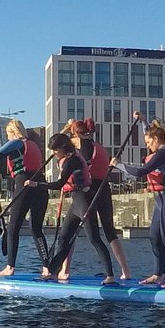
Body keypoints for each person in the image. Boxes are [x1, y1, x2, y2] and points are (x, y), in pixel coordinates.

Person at [35, 131, 117, 284]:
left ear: (63, 148)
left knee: (94, 239)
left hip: (84, 202)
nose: (54, 153)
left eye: (55, 150)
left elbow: (59, 184)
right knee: (64, 238)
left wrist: (37, 184)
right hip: (76, 202)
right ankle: (52, 272)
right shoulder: (68, 157)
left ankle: (110, 276)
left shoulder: (72, 160)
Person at [69, 118, 132, 281]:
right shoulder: (100, 148)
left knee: (70, 231)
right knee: (110, 231)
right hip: (105, 189)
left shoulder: (81, 145)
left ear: (76, 133)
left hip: (89, 191)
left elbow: (59, 143)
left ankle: (65, 270)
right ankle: (125, 271)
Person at [0, 120, 48, 278]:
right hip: (40, 186)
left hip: (24, 188)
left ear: (13, 132)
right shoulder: (33, 145)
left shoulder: (16, 143)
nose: (7, 137)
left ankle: (10, 267)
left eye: (7, 134)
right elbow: (25, 171)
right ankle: (47, 268)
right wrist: (2, 176)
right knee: (36, 229)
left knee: (13, 228)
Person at [126, 123, 165, 287]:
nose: (147, 146)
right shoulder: (160, 153)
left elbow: (140, 172)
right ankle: (158, 274)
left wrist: (118, 164)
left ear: (156, 139)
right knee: (154, 237)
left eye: (148, 142)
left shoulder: (164, 154)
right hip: (160, 200)